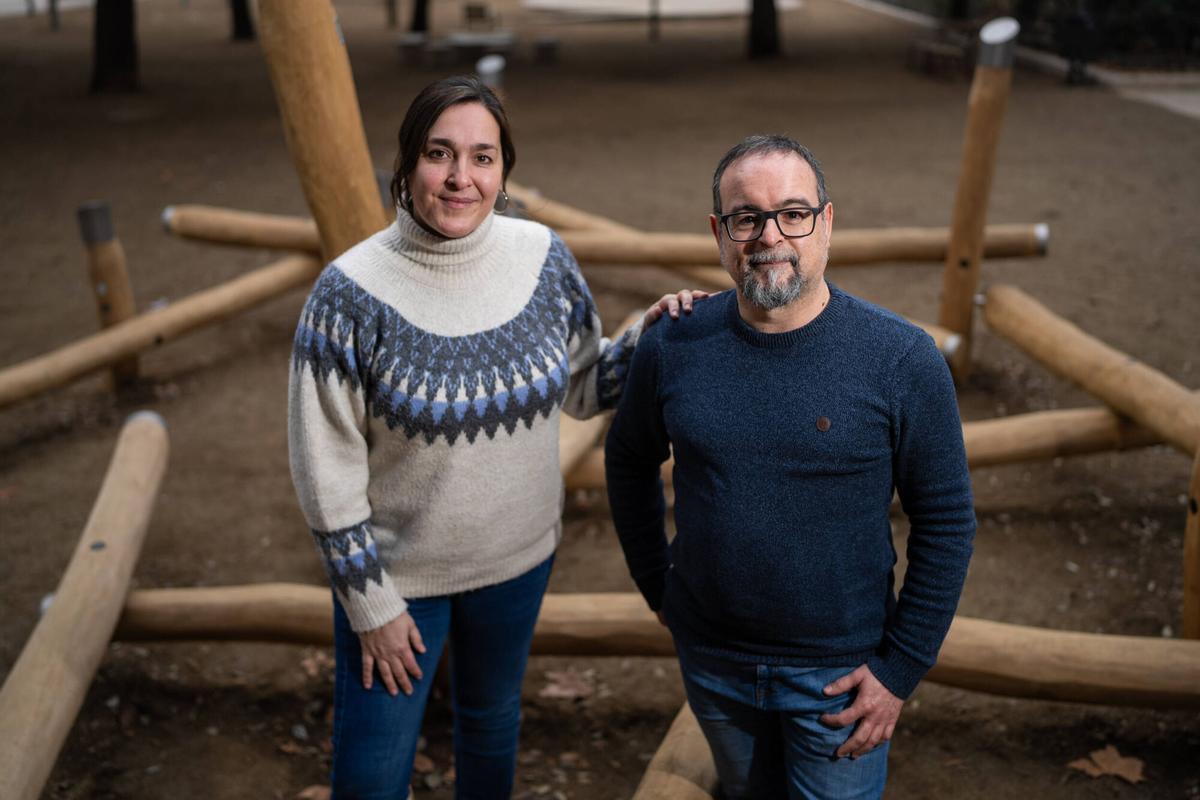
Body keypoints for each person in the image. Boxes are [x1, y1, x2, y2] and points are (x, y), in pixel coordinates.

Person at [287, 75, 704, 799]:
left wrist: (651, 333)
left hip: (518, 562)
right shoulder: (348, 295)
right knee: (370, 774)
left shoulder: (542, 258)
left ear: (504, 169)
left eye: (482, 157)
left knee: (490, 724)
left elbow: (584, 386)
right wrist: (371, 606)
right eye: (438, 154)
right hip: (398, 585)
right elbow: (325, 470)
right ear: (406, 163)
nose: (461, 177)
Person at [604, 135, 975, 800]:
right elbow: (628, 460)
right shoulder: (674, 342)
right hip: (713, 661)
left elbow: (946, 522)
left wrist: (900, 670)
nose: (770, 235)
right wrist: (658, 585)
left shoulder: (901, 359)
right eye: (747, 217)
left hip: (841, 675)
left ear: (826, 223)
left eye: (794, 213)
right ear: (719, 233)